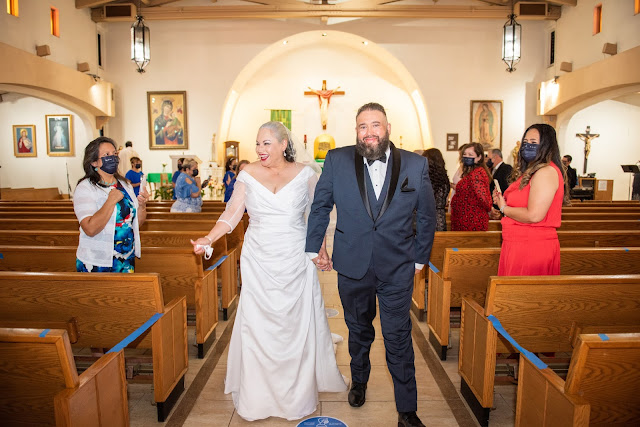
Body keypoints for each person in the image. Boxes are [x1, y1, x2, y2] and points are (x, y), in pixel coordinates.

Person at [191, 121, 346, 421]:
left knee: (294, 323)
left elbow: (319, 215)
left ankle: (297, 395)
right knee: (259, 323)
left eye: (266, 143)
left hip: (295, 257)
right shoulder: (247, 173)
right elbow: (232, 214)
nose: (259, 149)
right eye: (257, 143)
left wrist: (322, 250)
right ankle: (257, 394)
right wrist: (208, 239)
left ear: (283, 143)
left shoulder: (306, 174)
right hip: (259, 258)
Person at [306, 103, 436, 427]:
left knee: (398, 337)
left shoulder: (415, 164)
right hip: (352, 265)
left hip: (398, 268)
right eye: (363, 126)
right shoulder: (336, 160)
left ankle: (407, 410)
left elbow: (428, 215)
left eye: (375, 125)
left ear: (388, 127)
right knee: (358, 331)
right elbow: (321, 205)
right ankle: (359, 381)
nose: (370, 132)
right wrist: (314, 247)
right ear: (356, 131)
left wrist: (420, 259)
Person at [493, 124, 568, 276]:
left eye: (533, 143)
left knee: (523, 297)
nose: (527, 146)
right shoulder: (532, 172)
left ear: (546, 145)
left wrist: (504, 208)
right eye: (525, 142)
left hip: (531, 246)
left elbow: (534, 215)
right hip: (517, 243)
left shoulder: (546, 172)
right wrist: (503, 202)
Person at [73, 136, 148, 273]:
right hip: (97, 260)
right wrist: (110, 201)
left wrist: (142, 206)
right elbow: (89, 228)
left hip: (125, 259)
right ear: (94, 162)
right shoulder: (85, 188)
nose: (112, 158)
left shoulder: (125, 185)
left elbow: (136, 223)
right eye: (106, 155)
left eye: (114, 154)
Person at [450, 142, 492, 231]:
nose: (466, 157)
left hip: (471, 222)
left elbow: (484, 200)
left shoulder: (477, 174)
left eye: (470, 154)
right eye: (464, 154)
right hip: (465, 220)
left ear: (479, 158)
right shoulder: (473, 172)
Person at [423, 148, 450, 231]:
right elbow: (444, 200)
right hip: (439, 217)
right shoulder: (444, 179)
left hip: (425, 217)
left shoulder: (424, 179)